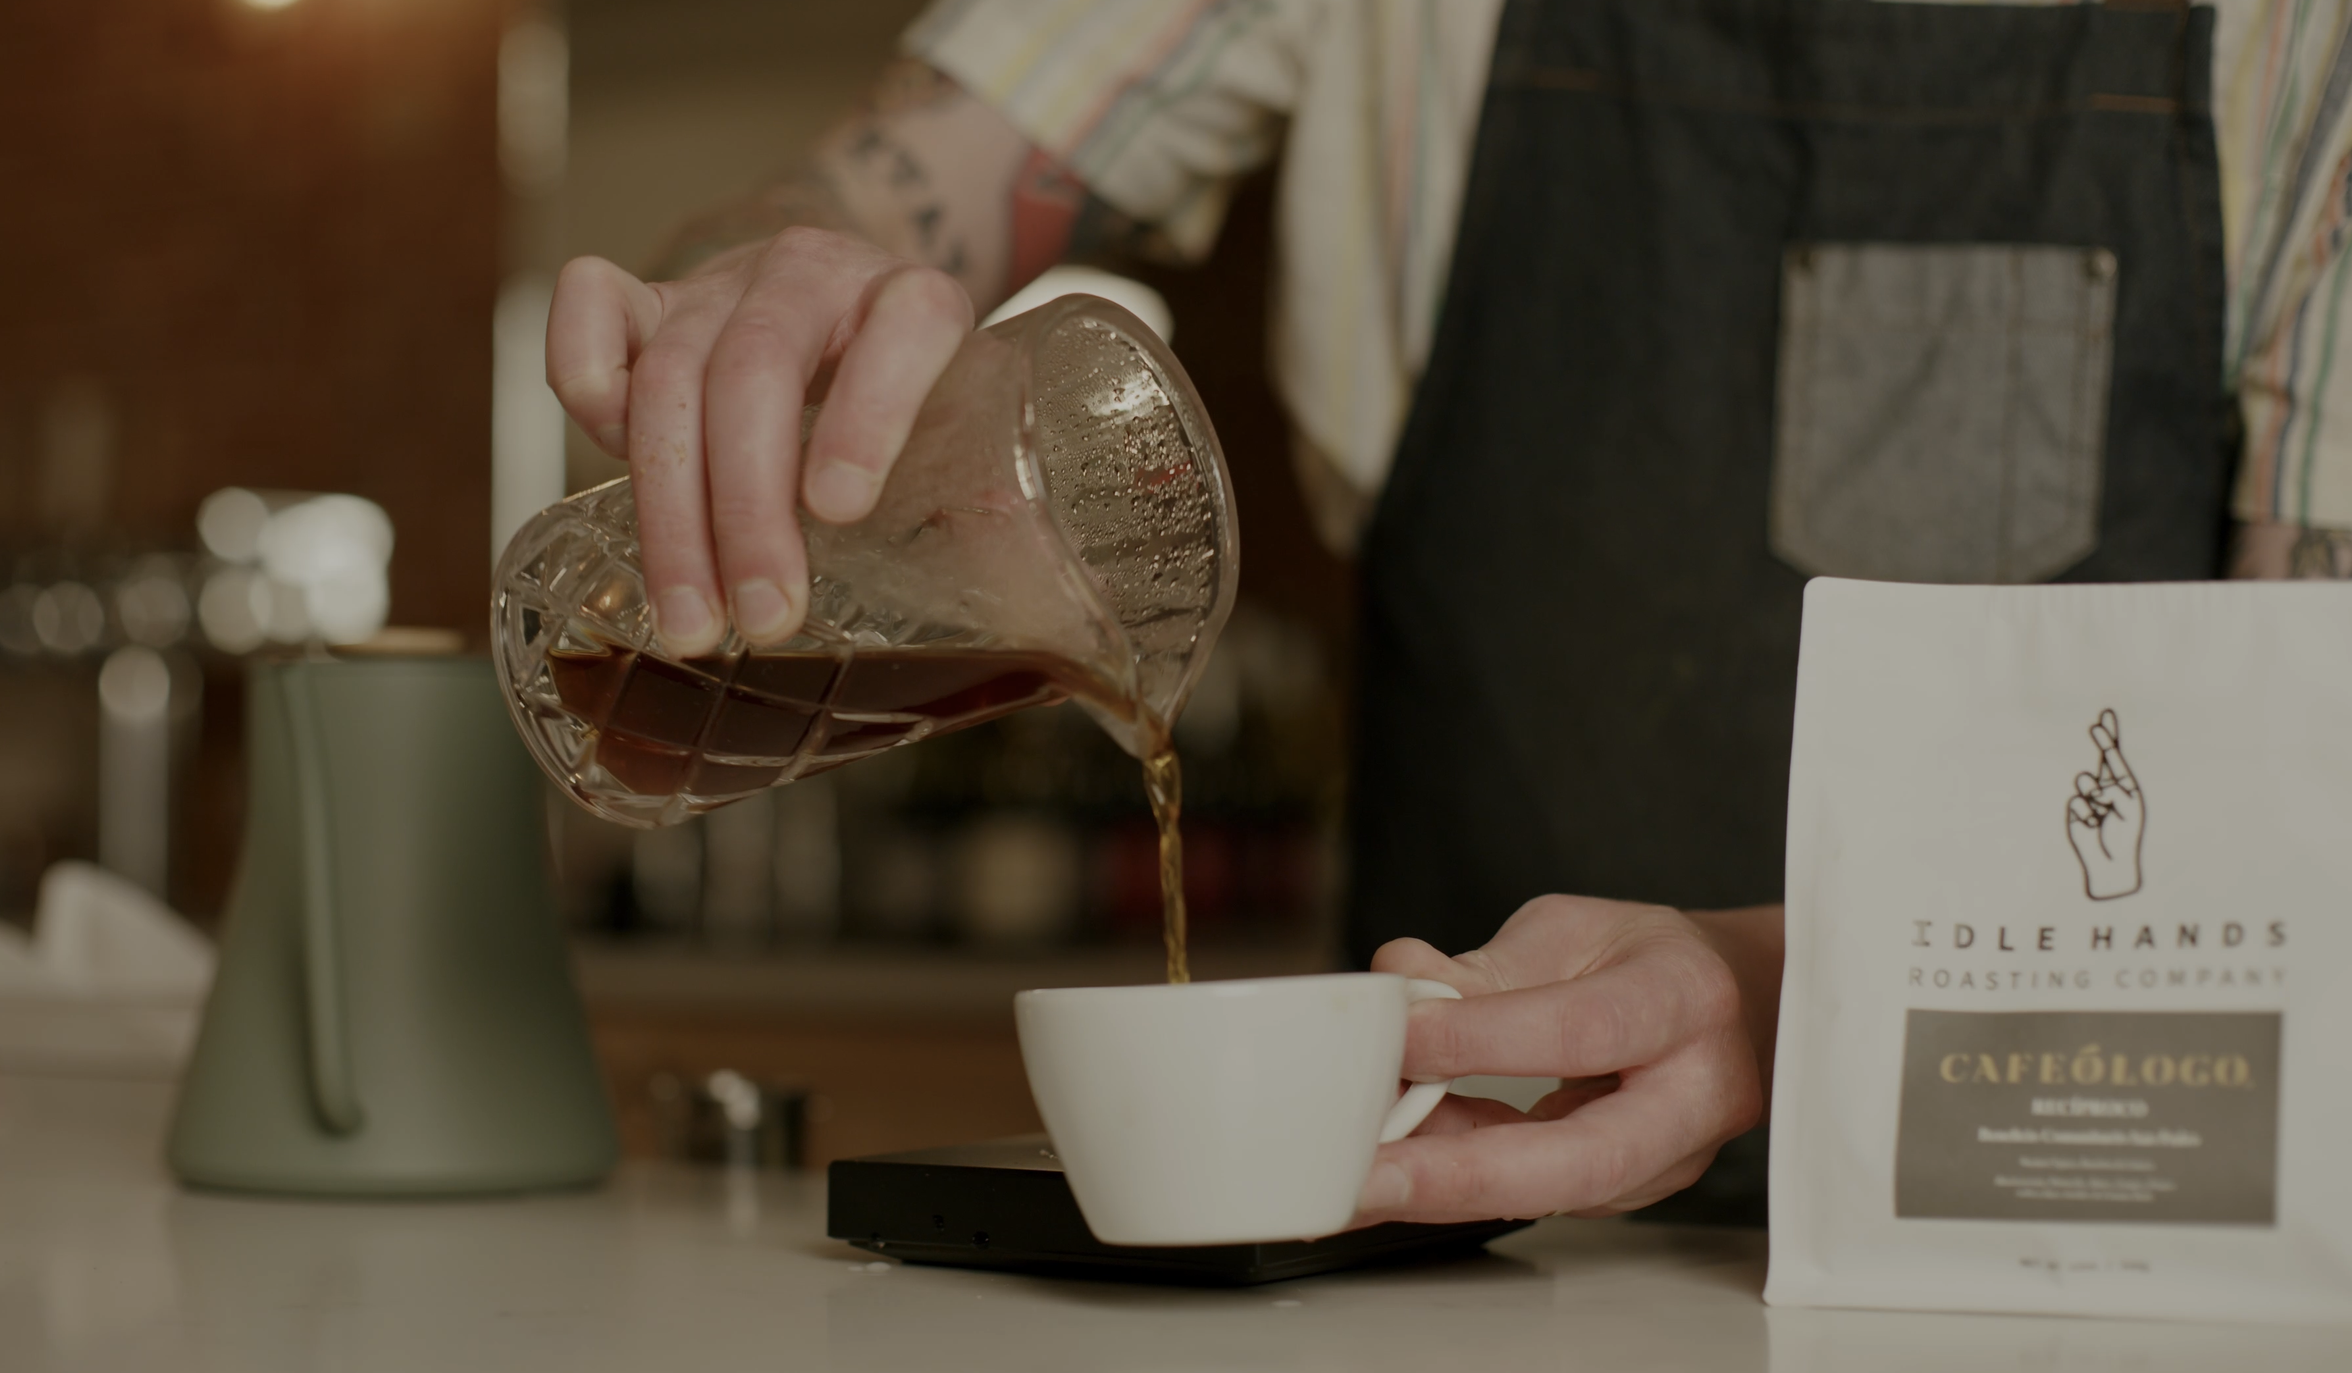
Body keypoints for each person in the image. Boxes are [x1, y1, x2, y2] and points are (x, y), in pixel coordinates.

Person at [547, 0, 2352, 1225]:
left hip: (2051, 1252)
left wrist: (1795, 981)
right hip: (1432, 1276)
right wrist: (770, 288)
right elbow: (860, 189)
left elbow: (2300, 831)